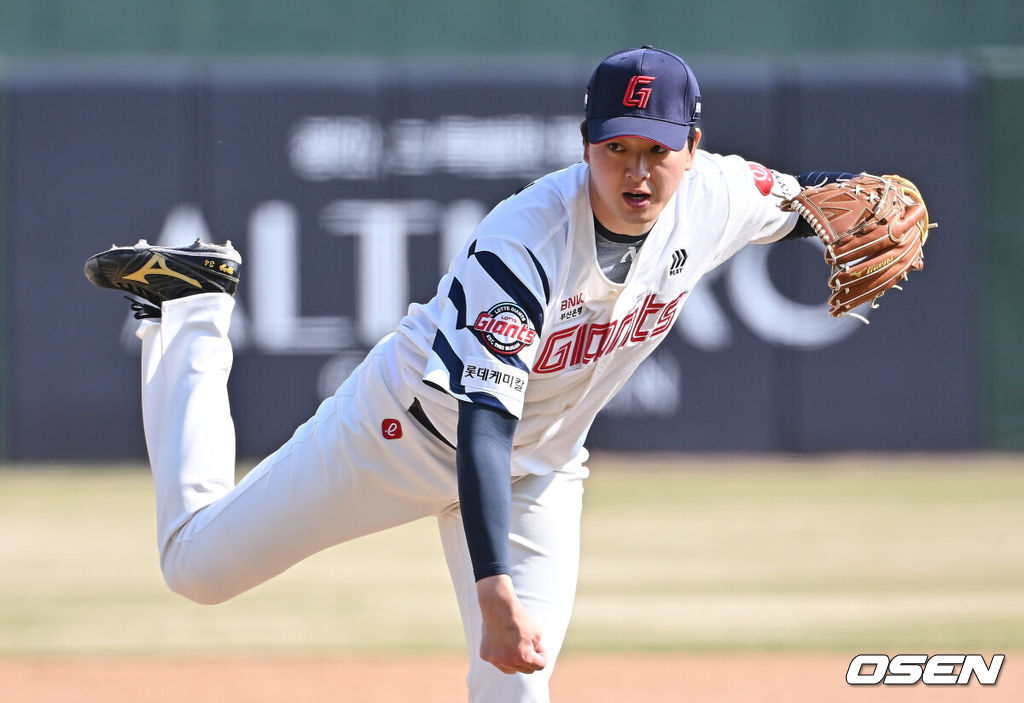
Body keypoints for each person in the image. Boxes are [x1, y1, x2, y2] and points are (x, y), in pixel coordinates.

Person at [85, 45, 855, 703]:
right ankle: (190, 306)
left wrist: (868, 193)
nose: (638, 172)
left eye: (657, 150)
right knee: (197, 568)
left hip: (538, 468)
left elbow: (805, 202)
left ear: (692, 146)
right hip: (402, 433)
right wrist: (493, 583)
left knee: (518, 682)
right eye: (618, 148)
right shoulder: (523, 243)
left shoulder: (717, 194)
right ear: (586, 143)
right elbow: (484, 423)